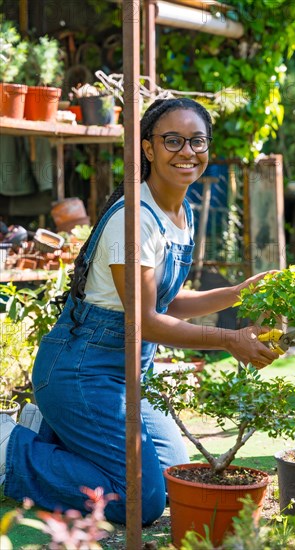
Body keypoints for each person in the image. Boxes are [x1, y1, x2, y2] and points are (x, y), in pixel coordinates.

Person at [0, 98, 279, 524]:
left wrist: (238, 292)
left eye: (197, 141)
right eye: (172, 141)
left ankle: (46, 428)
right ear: (148, 149)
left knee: (172, 478)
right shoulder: (135, 220)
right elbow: (144, 320)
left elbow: (165, 302)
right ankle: (10, 450)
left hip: (131, 375)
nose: (187, 151)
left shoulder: (178, 210)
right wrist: (227, 339)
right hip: (82, 370)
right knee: (141, 501)